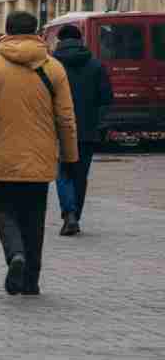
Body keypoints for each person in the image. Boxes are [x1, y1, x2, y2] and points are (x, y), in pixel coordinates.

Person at [0, 11, 79, 295]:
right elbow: (66, 117)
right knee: (35, 217)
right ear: (37, 33)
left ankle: (14, 254)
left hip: (4, 152)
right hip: (40, 155)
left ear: (6, 31)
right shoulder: (53, 67)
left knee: (3, 209)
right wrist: (69, 156)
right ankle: (31, 280)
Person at [52, 23, 112, 236]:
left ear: (59, 40)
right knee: (80, 174)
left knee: (63, 172)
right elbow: (106, 99)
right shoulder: (96, 65)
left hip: (58, 128)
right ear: (81, 40)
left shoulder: (51, 65)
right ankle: (75, 214)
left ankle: (68, 212)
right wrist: (100, 123)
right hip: (87, 129)